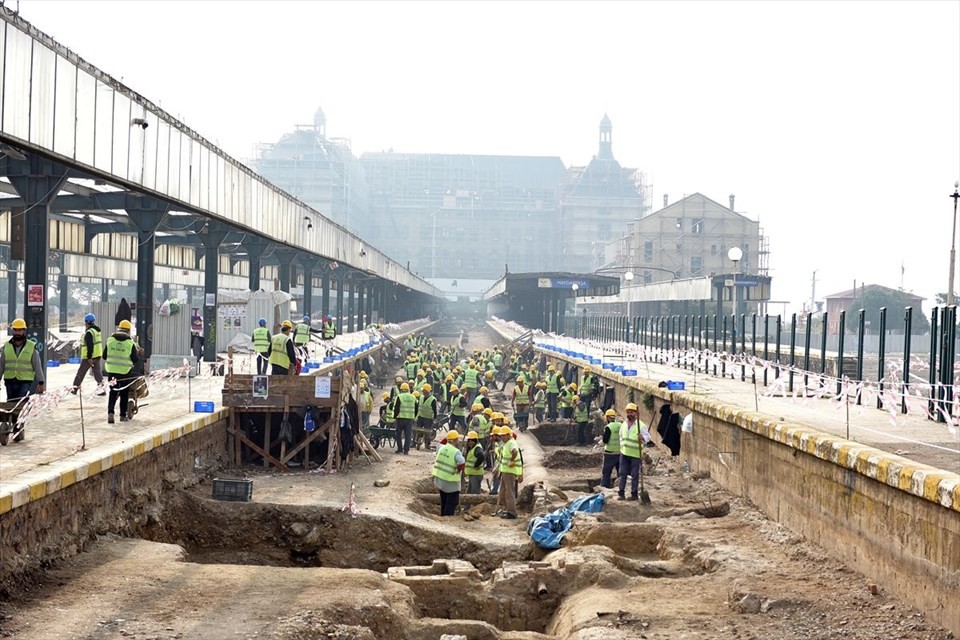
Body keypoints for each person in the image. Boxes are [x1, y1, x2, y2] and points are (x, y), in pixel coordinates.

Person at [0, 319, 46, 412]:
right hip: (9, 381)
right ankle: (13, 423)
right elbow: (1, 366)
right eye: (16, 330)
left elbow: (37, 366)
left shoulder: (31, 347)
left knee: (21, 404)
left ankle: (19, 424)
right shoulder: (6, 346)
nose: (18, 332)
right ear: (13, 330)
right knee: (10, 404)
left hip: (24, 381)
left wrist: (41, 382)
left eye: (20, 330)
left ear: (24, 331)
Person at [105, 319, 140, 424]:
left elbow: (104, 356)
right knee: (124, 393)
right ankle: (122, 415)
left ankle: (110, 413)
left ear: (119, 329)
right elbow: (135, 359)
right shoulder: (130, 343)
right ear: (128, 331)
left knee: (113, 392)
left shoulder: (110, 340)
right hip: (125, 372)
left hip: (111, 371)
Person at [618, 402, 652, 500]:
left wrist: (642, 437)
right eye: (628, 412)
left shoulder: (640, 426)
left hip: (635, 454)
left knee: (634, 475)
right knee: (622, 473)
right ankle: (621, 493)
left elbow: (648, 437)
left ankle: (634, 494)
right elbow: (621, 436)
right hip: (624, 453)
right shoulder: (624, 424)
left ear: (636, 414)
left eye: (631, 412)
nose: (629, 414)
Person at [433, 430, 465, 516]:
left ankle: (443, 516)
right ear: (454, 440)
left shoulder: (440, 447)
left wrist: (447, 437)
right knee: (451, 502)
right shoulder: (456, 451)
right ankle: (447, 518)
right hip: (451, 481)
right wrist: (458, 470)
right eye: (457, 440)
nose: (458, 442)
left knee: (443, 500)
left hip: (440, 479)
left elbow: (440, 442)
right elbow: (461, 461)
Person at [72, 313, 105, 395]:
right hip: (97, 355)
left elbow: (90, 346)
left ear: (86, 322)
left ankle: (75, 388)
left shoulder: (89, 332)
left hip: (89, 357)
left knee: (81, 373)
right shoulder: (96, 331)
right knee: (97, 373)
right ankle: (101, 390)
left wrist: (89, 357)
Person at [498, 426, 523, 519]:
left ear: (508, 435)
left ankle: (511, 512)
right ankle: (509, 510)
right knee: (503, 493)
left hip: (509, 472)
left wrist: (512, 460)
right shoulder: (507, 443)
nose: (502, 438)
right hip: (505, 471)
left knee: (509, 493)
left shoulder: (511, 443)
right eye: (501, 436)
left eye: (503, 436)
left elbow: (515, 452)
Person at [393, 382, 417, 454]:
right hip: (409, 419)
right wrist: (414, 416)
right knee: (408, 435)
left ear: (401, 389)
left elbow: (396, 408)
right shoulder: (413, 397)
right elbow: (416, 408)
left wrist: (395, 417)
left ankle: (400, 449)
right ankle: (406, 450)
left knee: (398, 434)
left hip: (400, 418)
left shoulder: (399, 397)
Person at [600, 409, 622, 488]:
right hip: (620, 452)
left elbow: (605, 440)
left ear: (608, 418)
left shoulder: (608, 427)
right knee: (620, 471)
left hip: (610, 453)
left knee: (606, 471)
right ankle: (621, 486)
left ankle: (604, 486)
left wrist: (601, 443)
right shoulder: (620, 425)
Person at [416, 382, 438, 449]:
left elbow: (435, 410)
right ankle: (418, 442)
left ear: (428, 391)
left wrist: (435, 418)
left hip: (428, 418)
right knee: (419, 430)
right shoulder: (421, 397)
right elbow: (418, 407)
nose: (423, 392)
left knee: (427, 432)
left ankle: (427, 444)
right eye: (423, 391)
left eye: (424, 391)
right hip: (420, 417)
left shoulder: (433, 399)